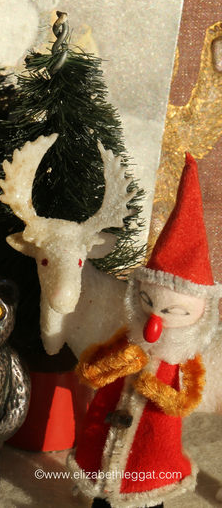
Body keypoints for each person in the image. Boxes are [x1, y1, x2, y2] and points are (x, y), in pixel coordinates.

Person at [68, 154, 222, 508]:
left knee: (148, 478)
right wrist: (119, 363)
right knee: (101, 479)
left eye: (172, 311)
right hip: (105, 429)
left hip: (153, 440)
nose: (155, 321)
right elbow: (90, 372)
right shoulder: (128, 339)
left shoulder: (185, 358)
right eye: (149, 303)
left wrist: (155, 388)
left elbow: (185, 401)